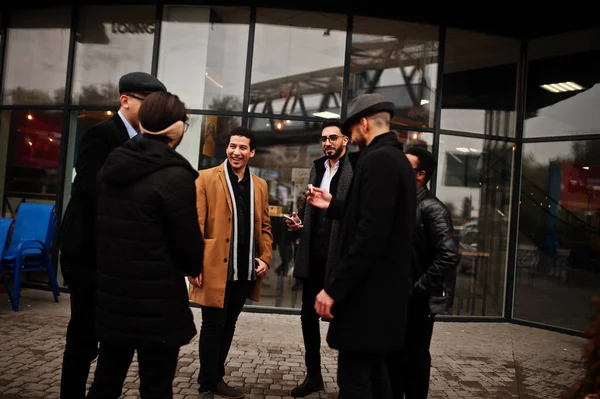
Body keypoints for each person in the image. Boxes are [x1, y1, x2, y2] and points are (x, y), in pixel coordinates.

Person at [86, 91, 204, 398]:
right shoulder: (175, 176)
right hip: (158, 301)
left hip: (114, 295)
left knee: (106, 381)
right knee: (156, 387)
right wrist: (192, 267)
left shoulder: (113, 164)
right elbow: (188, 245)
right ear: (176, 130)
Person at [58, 72, 166, 398]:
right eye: (149, 104)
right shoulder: (101, 135)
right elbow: (90, 190)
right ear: (125, 100)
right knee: (84, 336)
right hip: (88, 254)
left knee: (117, 339)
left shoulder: (148, 141)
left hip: (119, 257)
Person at [308, 93, 416, 399]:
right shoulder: (394, 159)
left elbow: (370, 235)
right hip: (381, 300)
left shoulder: (378, 161)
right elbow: (374, 217)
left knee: (355, 382)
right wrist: (334, 205)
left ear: (364, 124)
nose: (352, 138)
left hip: (368, 299)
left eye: (352, 130)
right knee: (376, 376)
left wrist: (334, 288)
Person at [189, 127, 274, 399]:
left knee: (229, 324)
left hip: (244, 269)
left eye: (242, 147)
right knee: (213, 325)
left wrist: (266, 257)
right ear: (226, 148)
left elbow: (266, 227)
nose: (236, 152)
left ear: (252, 152)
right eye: (232, 146)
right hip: (214, 268)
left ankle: (216, 377)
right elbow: (195, 226)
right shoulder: (204, 179)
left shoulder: (260, 185)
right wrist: (193, 265)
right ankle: (206, 384)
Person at [285, 119, 355, 397]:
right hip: (314, 254)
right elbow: (311, 206)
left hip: (341, 257)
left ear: (345, 141)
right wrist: (300, 221)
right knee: (307, 318)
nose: (327, 143)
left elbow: (357, 211)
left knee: (345, 321)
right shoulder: (317, 167)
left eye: (333, 138)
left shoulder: (356, 169)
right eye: (324, 139)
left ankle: (349, 383)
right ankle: (313, 375)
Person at [386, 146, 459, 399]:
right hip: (397, 298)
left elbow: (449, 255)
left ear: (420, 174)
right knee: (393, 360)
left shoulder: (432, 208)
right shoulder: (401, 204)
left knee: (414, 361)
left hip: (417, 301)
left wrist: (415, 289)